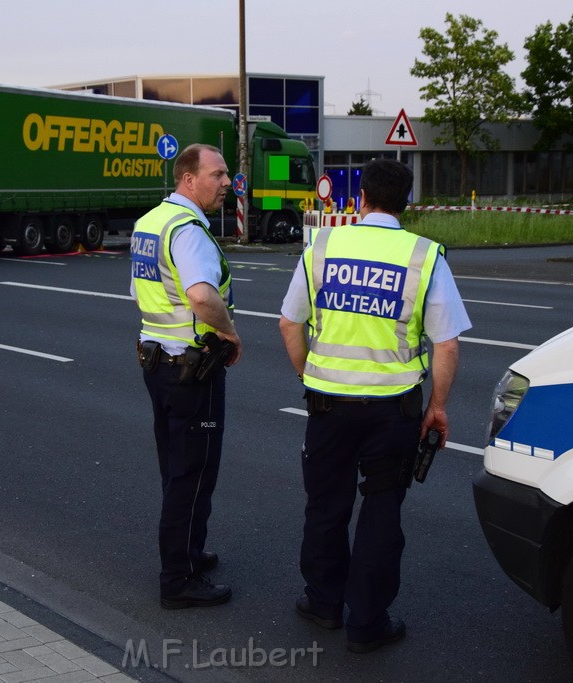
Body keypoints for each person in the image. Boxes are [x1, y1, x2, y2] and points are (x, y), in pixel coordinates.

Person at [278, 158, 471, 653]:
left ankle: (323, 604)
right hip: (393, 410)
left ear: (360, 198)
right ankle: (367, 623)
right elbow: (446, 345)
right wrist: (439, 407)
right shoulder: (424, 256)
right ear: (406, 204)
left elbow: (288, 323)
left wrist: (310, 375)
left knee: (326, 504)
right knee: (382, 511)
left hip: (328, 405)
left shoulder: (322, 246)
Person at [130, 143, 242, 610]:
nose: (226, 183)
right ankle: (178, 579)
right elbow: (200, 296)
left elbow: (144, 289)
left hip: (157, 362)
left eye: (226, 175)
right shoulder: (190, 230)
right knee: (193, 474)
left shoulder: (150, 223)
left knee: (176, 467)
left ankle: (189, 553)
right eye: (217, 174)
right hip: (192, 369)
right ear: (188, 179)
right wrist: (230, 333)